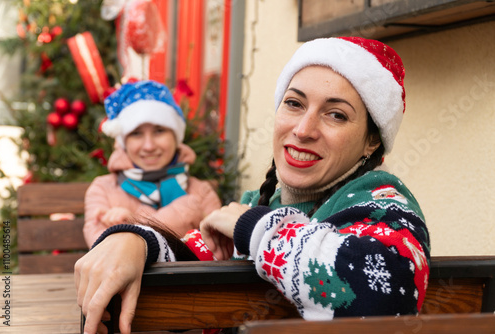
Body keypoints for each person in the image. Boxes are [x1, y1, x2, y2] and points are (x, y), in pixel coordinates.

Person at [75, 37, 430, 334]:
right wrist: (135, 241)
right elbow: (194, 257)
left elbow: (385, 297)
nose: (304, 129)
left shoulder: (385, 206)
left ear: (372, 142)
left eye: (336, 114)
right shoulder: (263, 204)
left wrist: (256, 228)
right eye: (294, 103)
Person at [83, 80, 222, 248]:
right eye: (136, 134)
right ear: (124, 142)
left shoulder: (202, 193)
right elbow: (101, 250)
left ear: (176, 137)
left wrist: (133, 223)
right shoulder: (103, 189)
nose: (148, 146)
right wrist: (188, 212)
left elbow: (215, 250)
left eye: (159, 131)